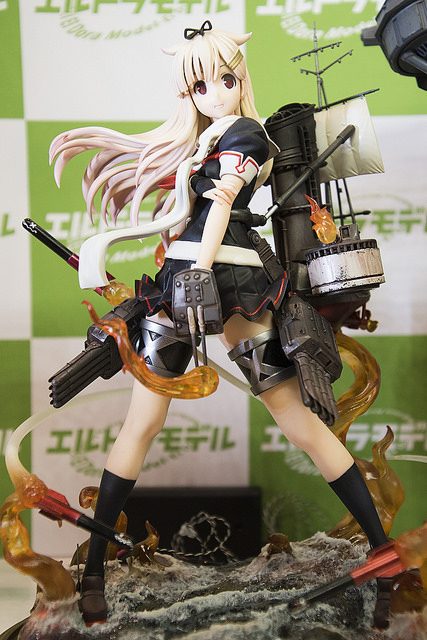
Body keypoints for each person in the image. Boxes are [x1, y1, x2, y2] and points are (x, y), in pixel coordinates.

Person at [50, 21, 389, 626]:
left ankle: (382, 552)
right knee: (142, 423)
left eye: (226, 79)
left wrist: (200, 271)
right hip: (183, 280)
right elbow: (184, 214)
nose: (216, 93)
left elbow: (225, 205)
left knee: (299, 422)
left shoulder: (247, 134)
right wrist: (123, 250)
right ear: (189, 94)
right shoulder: (205, 140)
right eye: (201, 86)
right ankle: (95, 569)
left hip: (236, 283)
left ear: (240, 79)